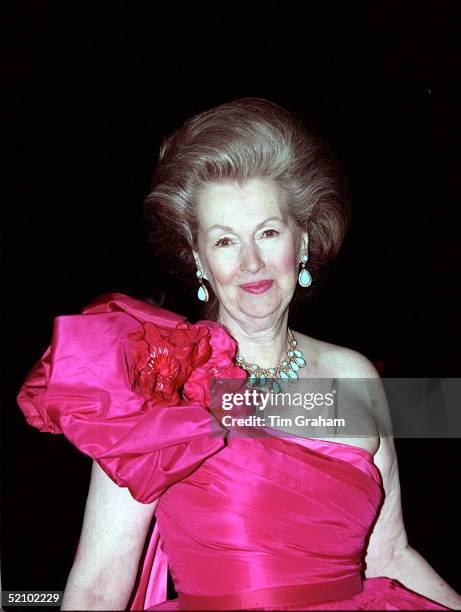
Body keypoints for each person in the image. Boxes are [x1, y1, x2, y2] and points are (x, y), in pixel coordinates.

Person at [17, 98, 460, 611]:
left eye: (268, 233)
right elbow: (97, 586)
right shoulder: (162, 381)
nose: (252, 263)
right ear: (198, 257)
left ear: (303, 241)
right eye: (225, 241)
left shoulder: (351, 374)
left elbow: (390, 555)